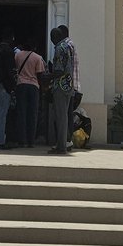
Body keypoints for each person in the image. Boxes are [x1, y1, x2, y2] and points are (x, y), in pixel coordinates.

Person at [47, 26, 74, 155]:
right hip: (68, 85)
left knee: (61, 117)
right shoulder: (68, 46)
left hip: (60, 86)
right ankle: (61, 144)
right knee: (63, 117)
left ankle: (61, 146)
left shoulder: (59, 48)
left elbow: (59, 70)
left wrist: (48, 76)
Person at [13, 40, 45, 148]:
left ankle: (22, 140)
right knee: (33, 114)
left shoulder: (18, 55)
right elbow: (39, 74)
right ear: (34, 47)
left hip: (21, 85)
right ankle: (31, 140)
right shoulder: (37, 57)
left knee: (21, 113)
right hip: (33, 86)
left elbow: (15, 69)